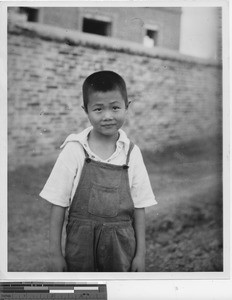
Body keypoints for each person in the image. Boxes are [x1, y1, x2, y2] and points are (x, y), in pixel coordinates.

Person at [40, 70, 157, 272]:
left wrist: (140, 255)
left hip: (121, 249)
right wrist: (55, 255)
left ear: (127, 107)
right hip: (80, 249)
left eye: (115, 107)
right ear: (85, 110)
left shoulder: (131, 153)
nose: (108, 116)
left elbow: (139, 207)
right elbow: (58, 204)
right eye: (98, 109)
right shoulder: (75, 149)